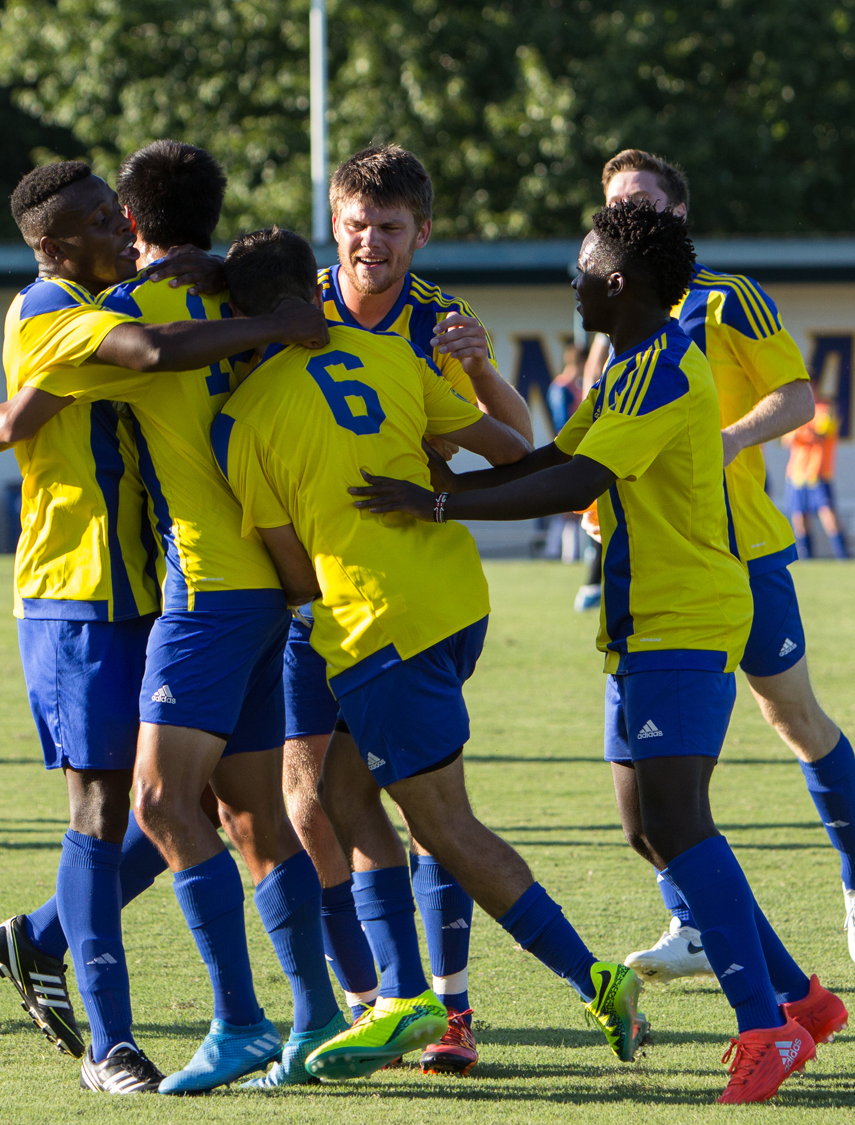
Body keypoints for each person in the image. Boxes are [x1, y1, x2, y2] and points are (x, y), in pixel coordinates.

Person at [348, 203, 844, 1103]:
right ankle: (803, 999)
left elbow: (577, 483)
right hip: (640, 625)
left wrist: (444, 508)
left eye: (580, 271)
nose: (571, 284)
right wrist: (441, 484)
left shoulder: (661, 373)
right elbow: (550, 457)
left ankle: (764, 1028)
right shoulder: (625, 367)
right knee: (648, 826)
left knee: (680, 820)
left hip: (684, 617)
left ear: (617, 283)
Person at [0, 157, 326, 1095]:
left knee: (207, 805)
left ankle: (46, 939)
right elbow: (79, 386)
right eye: (104, 223)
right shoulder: (49, 313)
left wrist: (219, 270)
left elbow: (25, 410)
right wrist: (265, 317)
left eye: (123, 214)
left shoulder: (129, 288)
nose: (123, 231)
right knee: (110, 809)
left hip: (166, 590)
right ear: (57, 247)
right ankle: (111, 1044)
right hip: (79, 595)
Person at [218, 225, 643, 1087]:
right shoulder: (386, 356)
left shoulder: (244, 415)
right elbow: (507, 447)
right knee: (339, 793)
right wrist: (429, 487)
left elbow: (295, 571)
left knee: (440, 824)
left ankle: (591, 977)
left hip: (380, 625)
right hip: (453, 602)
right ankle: (402, 993)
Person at [597, 151, 855, 977]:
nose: (630, 217)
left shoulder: (728, 298)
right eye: (617, 204)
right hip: (656, 568)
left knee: (793, 717)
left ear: (678, 214)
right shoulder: (610, 307)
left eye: (645, 203)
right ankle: (690, 920)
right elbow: (596, 417)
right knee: (660, 769)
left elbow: (797, 396)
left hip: (743, 550)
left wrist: (724, 439)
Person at [295, 144, 535, 1071]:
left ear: (420, 233)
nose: (368, 244)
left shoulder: (439, 322)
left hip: (416, 599)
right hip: (312, 595)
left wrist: (479, 371)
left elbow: (515, 444)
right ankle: (370, 999)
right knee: (312, 801)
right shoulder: (294, 306)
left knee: (426, 806)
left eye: (389, 228)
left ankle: (450, 1011)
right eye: (354, 224)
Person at [782, 370, 845, 560]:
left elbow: (823, 433)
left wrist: (804, 426)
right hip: (797, 473)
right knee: (800, 521)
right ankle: (808, 561)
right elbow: (787, 439)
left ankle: (844, 559)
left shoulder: (825, 408)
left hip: (818, 472)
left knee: (829, 519)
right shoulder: (794, 410)